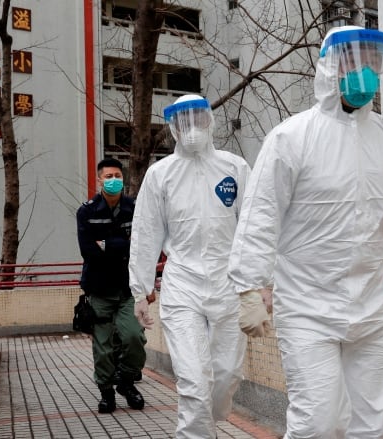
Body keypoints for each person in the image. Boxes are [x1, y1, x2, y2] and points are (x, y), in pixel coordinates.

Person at [228, 26, 383, 437]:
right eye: (352, 61)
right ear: (330, 68)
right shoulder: (292, 138)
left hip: (373, 305)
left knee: (374, 423)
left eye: (371, 62)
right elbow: (261, 214)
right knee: (318, 421)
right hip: (308, 306)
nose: (363, 71)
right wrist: (249, 288)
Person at [128, 94, 250, 438]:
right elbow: (146, 232)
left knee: (228, 373)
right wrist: (141, 290)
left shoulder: (234, 168)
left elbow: (255, 227)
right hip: (183, 285)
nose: (192, 128)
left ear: (210, 121)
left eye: (198, 119)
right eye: (184, 122)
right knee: (194, 381)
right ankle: (197, 429)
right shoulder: (161, 175)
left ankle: (209, 416)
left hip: (230, 285)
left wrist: (262, 283)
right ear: (173, 128)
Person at [76, 157, 146, 414]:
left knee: (133, 337)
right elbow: (88, 251)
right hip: (99, 290)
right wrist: (121, 247)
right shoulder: (87, 212)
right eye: (108, 176)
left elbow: (141, 246)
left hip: (129, 290)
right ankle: (107, 393)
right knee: (103, 348)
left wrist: (106, 245)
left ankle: (126, 383)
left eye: (118, 175)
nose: (114, 180)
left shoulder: (135, 208)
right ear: (99, 179)